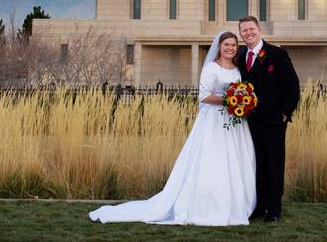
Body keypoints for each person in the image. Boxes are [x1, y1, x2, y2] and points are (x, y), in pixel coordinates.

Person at [88, 31, 256, 226]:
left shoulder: (237, 68)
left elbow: (241, 89)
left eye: (233, 45)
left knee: (234, 160)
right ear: (219, 47)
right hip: (214, 122)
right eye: (226, 44)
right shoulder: (211, 68)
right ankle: (207, 206)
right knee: (213, 159)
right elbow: (204, 96)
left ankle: (234, 205)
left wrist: (242, 102)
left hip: (234, 122)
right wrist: (229, 100)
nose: (230, 48)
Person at [236, 16, 300, 223]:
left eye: (251, 29)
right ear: (240, 34)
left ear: (259, 29)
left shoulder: (277, 54)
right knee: (257, 165)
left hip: (273, 122)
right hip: (250, 122)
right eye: (244, 30)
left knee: (274, 165)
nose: (248, 33)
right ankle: (259, 206)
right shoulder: (241, 55)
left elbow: (292, 87)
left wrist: (284, 113)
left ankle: (274, 210)